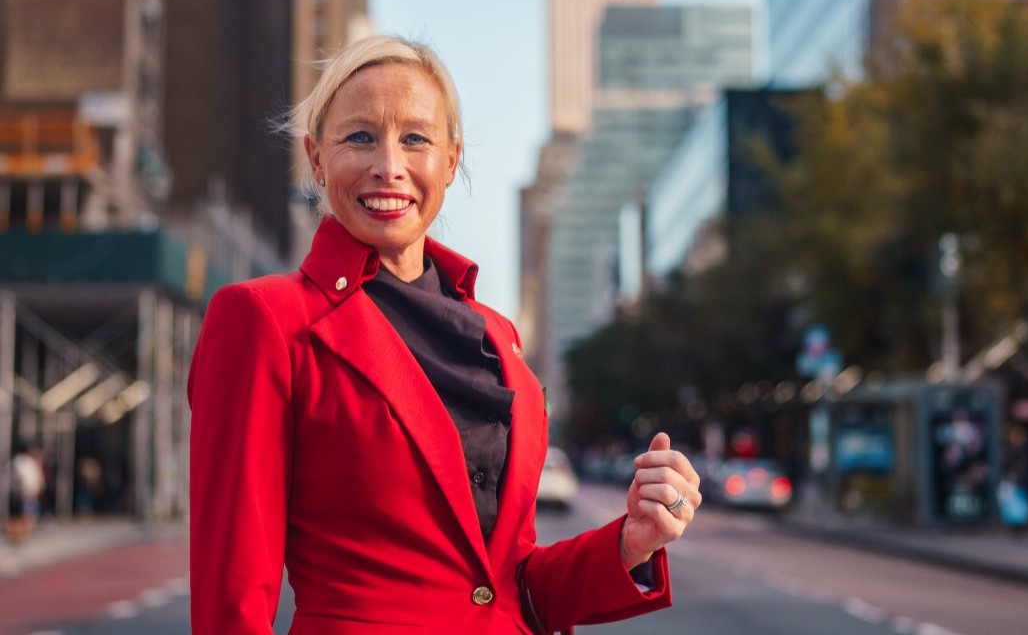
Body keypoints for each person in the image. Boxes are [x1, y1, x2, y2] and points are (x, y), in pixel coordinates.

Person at [188, 35, 700, 634]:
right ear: (317, 158)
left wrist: (629, 543)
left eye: (415, 138)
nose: (388, 166)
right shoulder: (263, 319)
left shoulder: (499, 338)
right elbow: (231, 602)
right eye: (359, 137)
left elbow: (508, 590)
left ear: (451, 160)